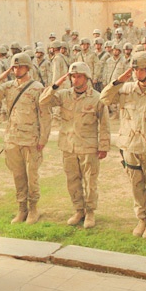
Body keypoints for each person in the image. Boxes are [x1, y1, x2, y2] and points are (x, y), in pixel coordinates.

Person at [99, 52, 146, 239]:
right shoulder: (126, 89)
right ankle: (141, 217)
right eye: (134, 69)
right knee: (136, 185)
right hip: (131, 146)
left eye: (140, 69)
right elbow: (104, 98)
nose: (135, 73)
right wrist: (118, 80)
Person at [39, 62, 110, 228]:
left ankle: (90, 212)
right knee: (72, 181)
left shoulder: (97, 97)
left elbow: (105, 124)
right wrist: (55, 85)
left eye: (79, 76)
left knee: (90, 182)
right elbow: (43, 102)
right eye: (73, 76)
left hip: (88, 146)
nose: (75, 80)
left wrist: (104, 146)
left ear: (87, 78)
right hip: (68, 145)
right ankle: (79, 210)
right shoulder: (63, 95)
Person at [0, 53, 50, 224]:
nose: (16, 69)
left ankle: (34, 209)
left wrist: (43, 139)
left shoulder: (37, 88)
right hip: (12, 140)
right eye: (13, 67)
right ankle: (22, 209)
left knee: (32, 176)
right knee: (18, 176)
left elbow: (44, 115)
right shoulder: (7, 86)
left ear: (28, 67)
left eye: (19, 66)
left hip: (31, 140)